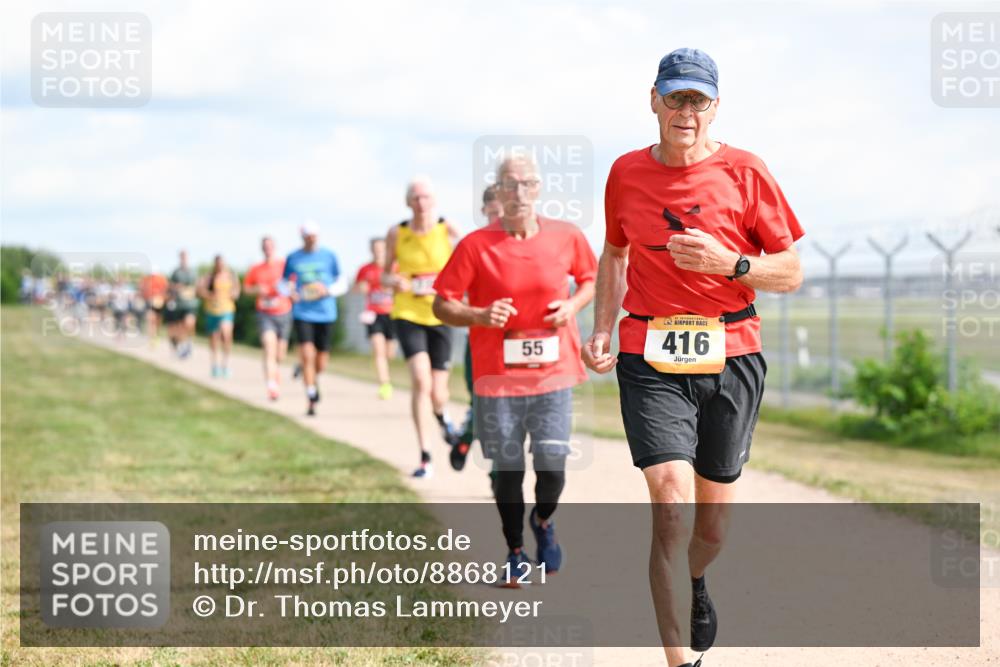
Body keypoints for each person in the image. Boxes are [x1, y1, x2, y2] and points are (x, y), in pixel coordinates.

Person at [582, 48, 804, 667]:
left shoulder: (746, 171)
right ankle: (681, 660)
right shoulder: (625, 172)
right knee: (672, 506)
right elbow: (615, 254)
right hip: (649, 353)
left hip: (731, 352)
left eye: (697, 100)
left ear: (714, 107)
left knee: (709, 531)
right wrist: (603, 325)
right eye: (675, 97)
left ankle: (697, 581)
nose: (686, 111)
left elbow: (790, 271)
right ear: (653, 99)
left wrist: (731, 263)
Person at [433, 155, 597, 583]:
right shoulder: (474, 245)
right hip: (497, 380)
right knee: (507, 471)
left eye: (527, 183)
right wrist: (479, 315)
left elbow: (591, 279)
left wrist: (573, 305)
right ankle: (516, 551)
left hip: (553, 373)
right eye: (509, 184)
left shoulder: (566, 236)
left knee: (552, 466)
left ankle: (543, 521)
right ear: (498, 192)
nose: (519, 192)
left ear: (539, 188)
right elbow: (442, 303)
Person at [383, 178, 462, 478]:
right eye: (415, 198)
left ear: (434, 200)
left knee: (438, 392)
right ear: (407, 202)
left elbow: (469, 261)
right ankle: (425, 455)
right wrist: (395, 281)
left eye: (426, 197)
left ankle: (443, 418)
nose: (421, 203)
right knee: (421, 381)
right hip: (407, 312)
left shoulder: (448, 229)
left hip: (441, 314)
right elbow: (384, 275)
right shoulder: (397, 232)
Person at [451, 184, 504, 473]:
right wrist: (477, 310)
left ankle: (468, 438)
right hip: (480, 342)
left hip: (518, 343)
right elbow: (450, 298)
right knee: (483, 402)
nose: (499, 219)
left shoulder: (524, 243)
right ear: (484, 211)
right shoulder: (474, 247)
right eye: (494, 212)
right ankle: (496, 468)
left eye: (504, 212)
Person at [283, 220, 342, 416]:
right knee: (307, 353)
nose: (310, 240)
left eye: (313, 236)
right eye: (307, 237)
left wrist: (328, 290)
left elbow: (342, 281)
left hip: (325, 313)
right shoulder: (293, 257)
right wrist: (289, 292)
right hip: (303, 312)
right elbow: (283, 283)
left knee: (321, 362)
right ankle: (310, 396)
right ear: (302, 237)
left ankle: (310, 377)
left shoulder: (329, 256)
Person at [244, 236, 293, 400]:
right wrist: (257, 289)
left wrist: (286, 288)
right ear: (261, 248)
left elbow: (293, 284)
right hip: (265, 314)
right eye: (265, 246)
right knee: (268, 346)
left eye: (270, 245)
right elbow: (246, 289)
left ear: (275, 247)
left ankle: (275, 376)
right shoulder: (256, 269)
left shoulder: (284, 265)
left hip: (284, 312)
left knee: (280, 355)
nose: (267, 249)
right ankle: (271, 386)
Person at [354, 237, 398, 400]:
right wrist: (361, 287)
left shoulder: (395, 267)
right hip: (374, 314)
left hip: (393, 314)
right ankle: (385, 384)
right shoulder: (365, 269)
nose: (378, 252)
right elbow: (357, 287)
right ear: (371, 250)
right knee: (378, 351)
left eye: (381, 249)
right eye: (375, 249)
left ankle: (385, 375)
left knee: (389, 353)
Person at [198, 254, 240, 378]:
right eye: (218, 264)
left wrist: (234, 294)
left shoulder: (231, 276)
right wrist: (210, 295)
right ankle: (215, 365)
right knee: (214, 339)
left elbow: (237, 291)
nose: (220, 266)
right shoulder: (209, 277)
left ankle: (225, 365)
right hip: (212, 311)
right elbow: (200, 291)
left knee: (226, 334)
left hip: (227, 309)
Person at [165, 250, 199, 359]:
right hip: (179, 304)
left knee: (190, 323)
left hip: (190, 304)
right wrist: (177, 287)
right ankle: (180, 345)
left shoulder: (193, 272)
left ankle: (189, 342)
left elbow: (197, 286)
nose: (184, 259)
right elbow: (170, 287)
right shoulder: (176, 272)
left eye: (185, 257)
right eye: (182, 257)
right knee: (179, 328)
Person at [139, 271, 168, 347]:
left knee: (157, 321)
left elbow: (166, 290)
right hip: (150, 302)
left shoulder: (162, 280)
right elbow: (142, 290)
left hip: (159, 303)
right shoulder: (146, 279)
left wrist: (162, 297)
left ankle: (156, 335)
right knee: (150, 319)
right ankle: (152, 338)